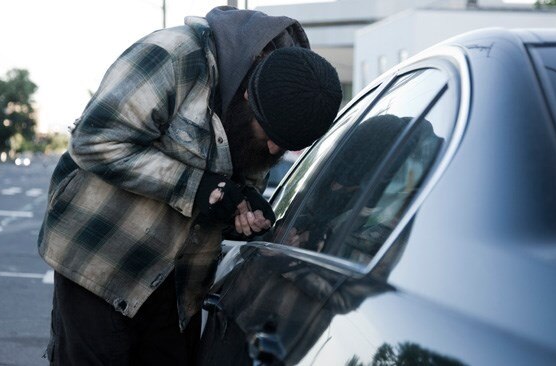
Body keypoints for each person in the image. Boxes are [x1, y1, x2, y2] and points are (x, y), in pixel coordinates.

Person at [37, 6, 342, 366]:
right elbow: (95, 141)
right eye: (271, 136)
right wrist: (197, 188)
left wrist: (241, 212)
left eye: (286, 145)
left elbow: (221, 195)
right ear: (248, 94)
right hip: (102, 265)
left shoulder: (284, 99)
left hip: (181, 289)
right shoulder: (172, 56)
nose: (274, 149)